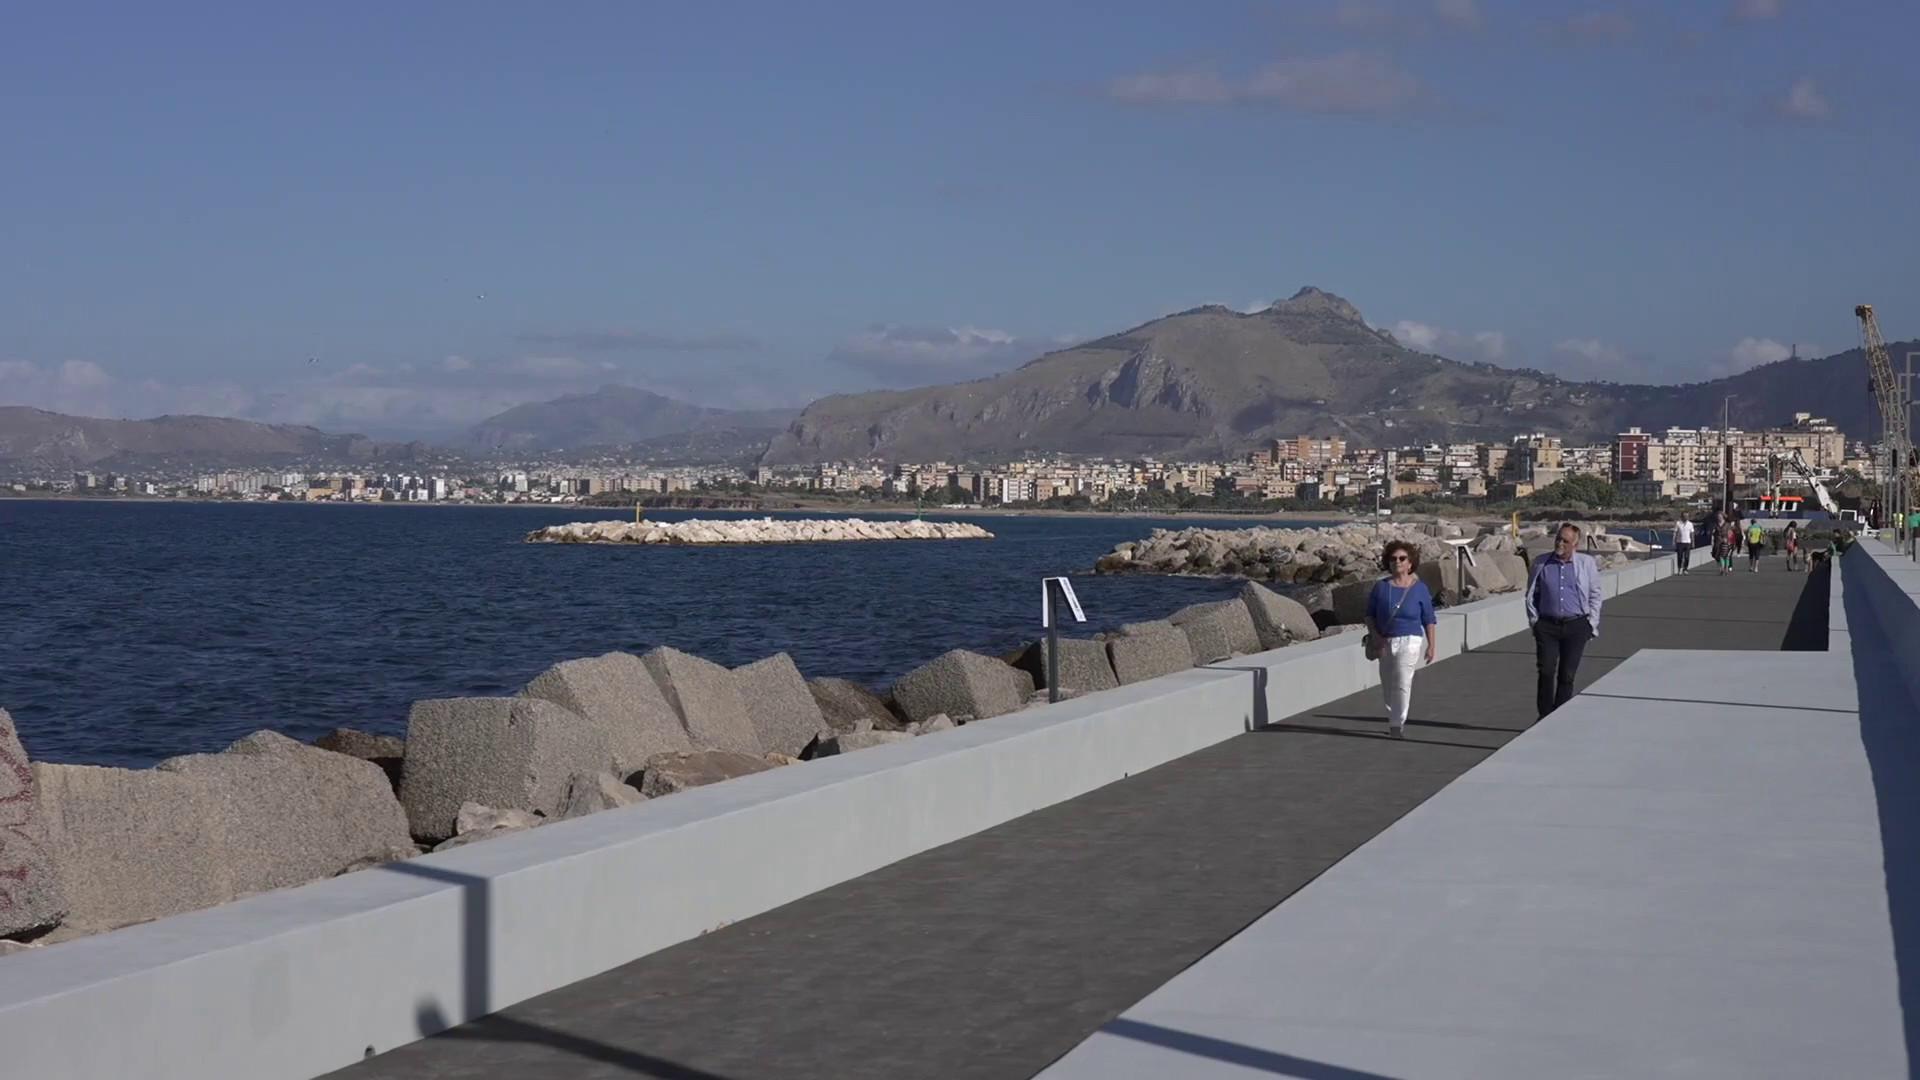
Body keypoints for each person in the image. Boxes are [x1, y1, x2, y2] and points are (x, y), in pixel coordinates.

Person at [1524, 523, 1603, 720]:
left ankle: (1559, 717)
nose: (1560, 543)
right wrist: (1535, 621)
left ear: (1575, 544)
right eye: (1558, 539)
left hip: (1576, 626)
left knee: (1567, 675)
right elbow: (1532, 594)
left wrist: (1590, 624)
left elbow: (1595, 595)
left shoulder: (1586, 564)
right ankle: (1544, 716)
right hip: (1547, 625)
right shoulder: (1541, 563)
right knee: (1546, 670)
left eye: (1565, 541)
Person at [1366, 539, 1437, 740]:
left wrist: (1432, 645)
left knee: (1403, 681)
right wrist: (1375, 635)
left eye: (1402, 558)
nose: (1397, 561)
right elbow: (1369, 615)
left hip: (1410, 639)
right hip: (1385, 640)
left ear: (1410, 563)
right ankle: (1393, 717)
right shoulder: (1380, 587)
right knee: (1388, 684)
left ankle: (1397, 724)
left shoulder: (1420, 588)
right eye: (1393, 558)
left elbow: (1429, 619)